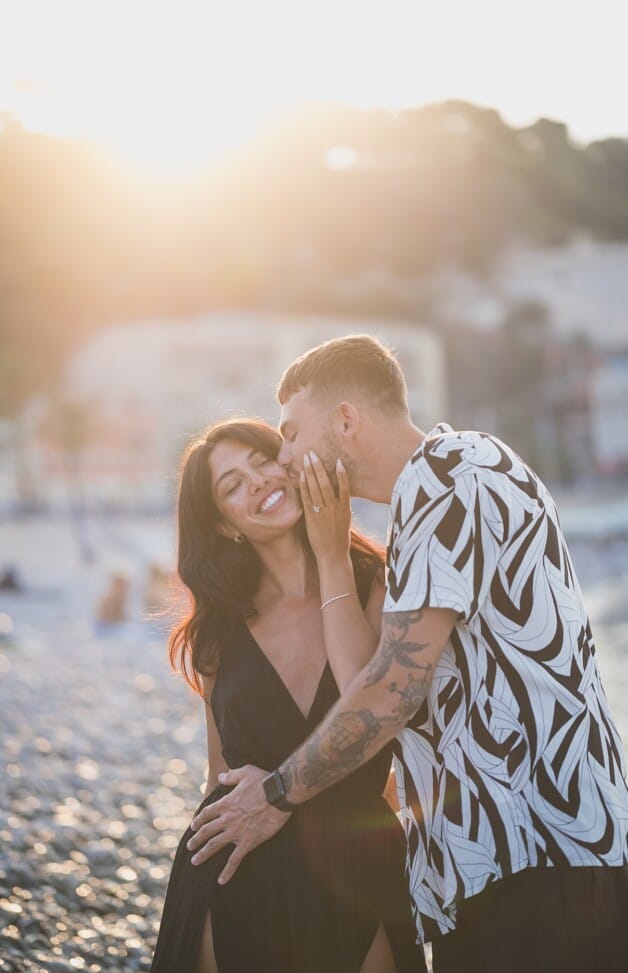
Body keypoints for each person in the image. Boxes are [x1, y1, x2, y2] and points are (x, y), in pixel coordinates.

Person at [188, 335, 628, 973]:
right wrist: (334, 554)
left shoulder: (448, 482)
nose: (283, 457)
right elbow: (366, 679)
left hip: (539, 855)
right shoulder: (435, 493)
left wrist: (276, 794)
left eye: (289, 432)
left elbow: (390, 697)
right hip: (500, 864)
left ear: (346, 421)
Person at [152, 419, 425, 973]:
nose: (255, 481)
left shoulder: (379, 583)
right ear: (226, 525)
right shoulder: (217, 631)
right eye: (231, 486)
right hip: (239, 867)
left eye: (262, 460)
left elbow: (370, 714)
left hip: (354, 867)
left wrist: (330, 558)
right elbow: (220, 773)